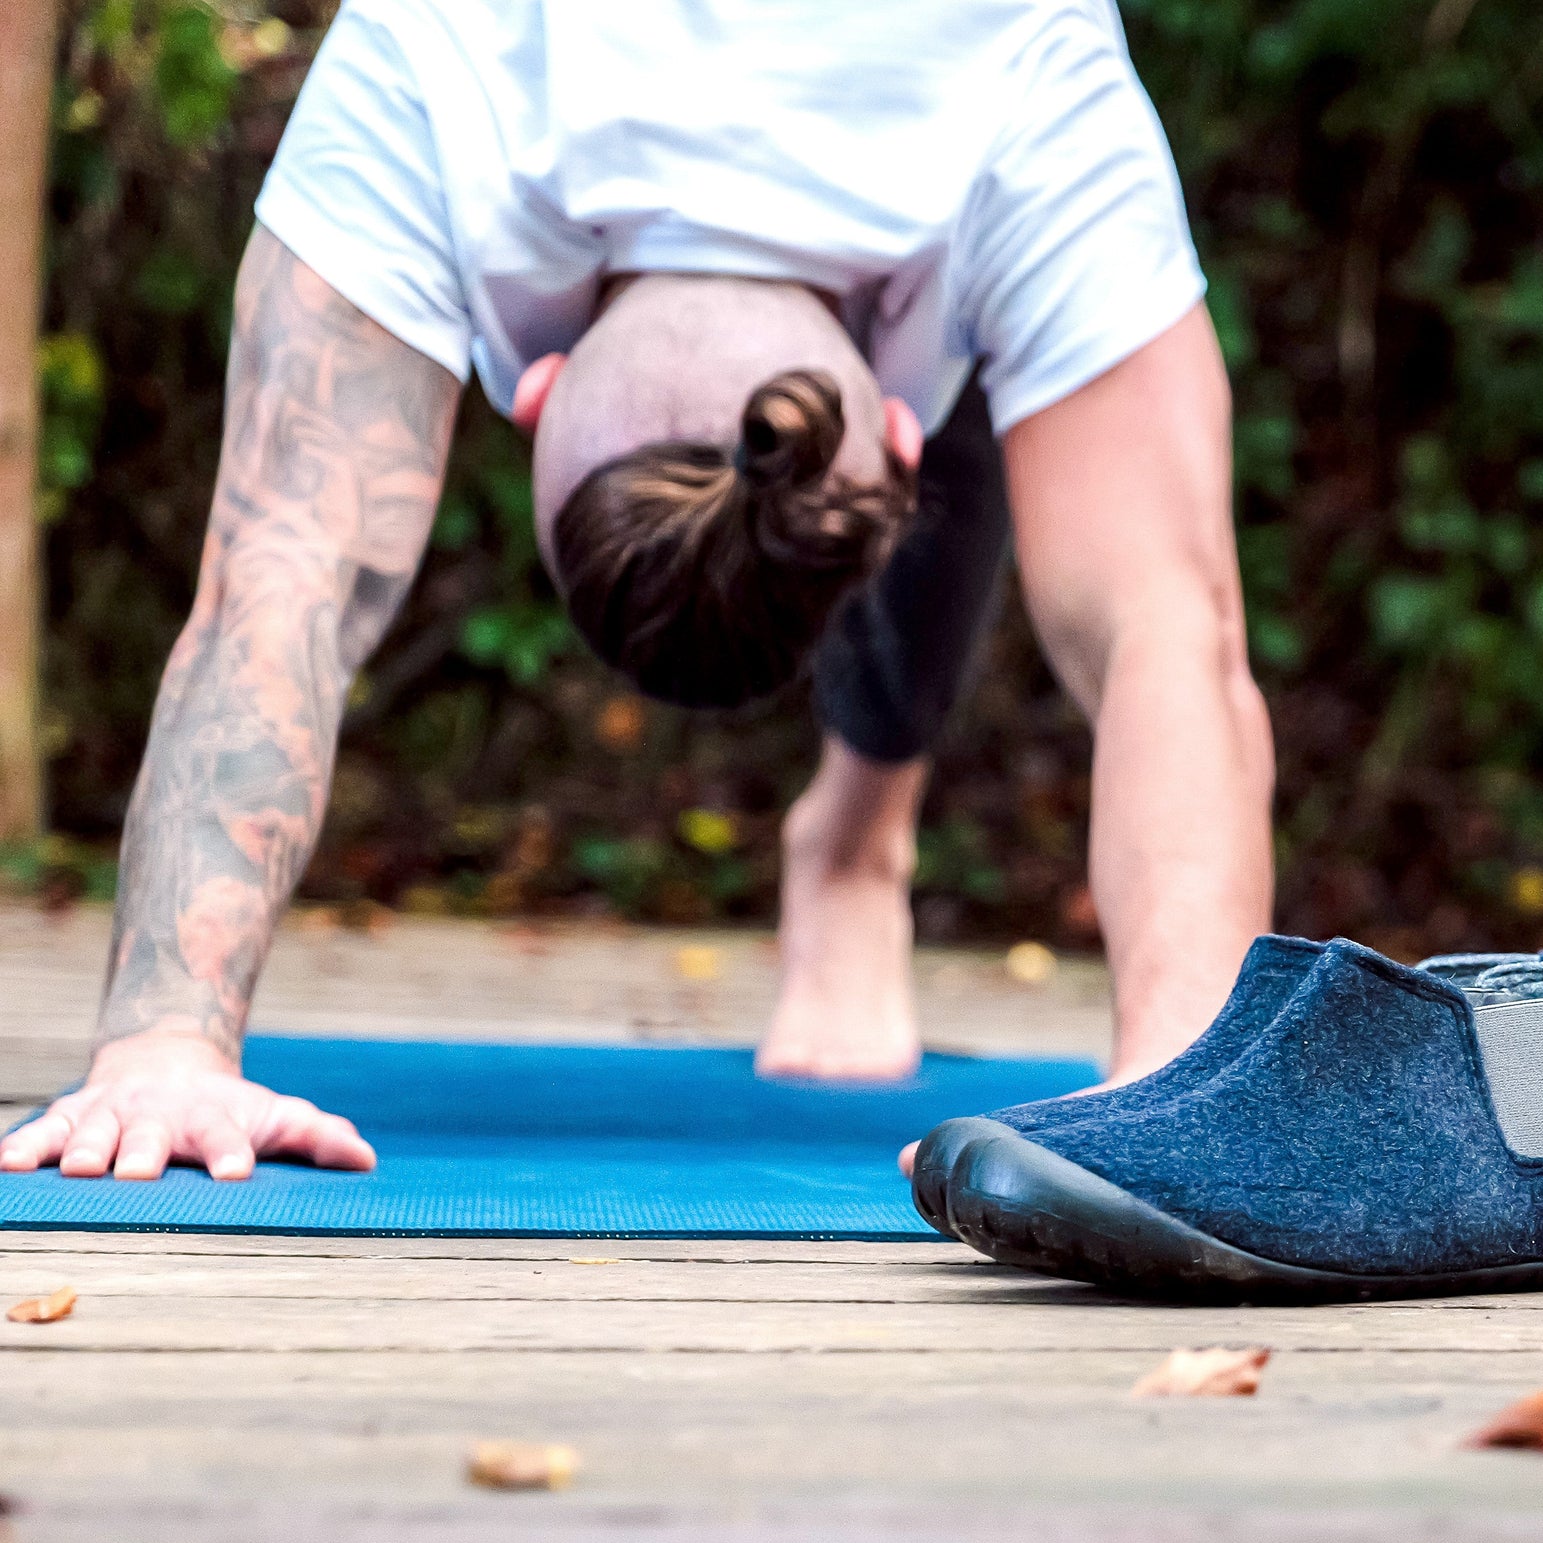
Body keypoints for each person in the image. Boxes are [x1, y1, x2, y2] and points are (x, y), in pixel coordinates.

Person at [0, 0, 1274, 1184]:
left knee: (1035, 369)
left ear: (533, 385)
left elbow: (279, 580)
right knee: (1066, 404)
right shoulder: (1027, 92)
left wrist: (167, 1047)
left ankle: (854, 845)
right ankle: (847, 847)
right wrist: (1180, 1098)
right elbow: (1165, 623)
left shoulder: (441, 63)